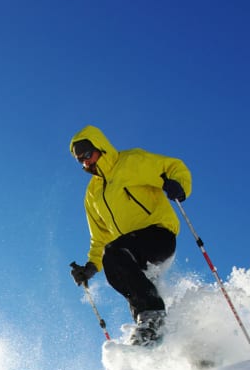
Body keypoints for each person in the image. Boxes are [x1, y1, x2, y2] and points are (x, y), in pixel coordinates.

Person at [69, 125, 192, 345]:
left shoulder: (130, 162)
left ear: (100, 147)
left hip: (158, 235)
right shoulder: (92, 194)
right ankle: (179, 345)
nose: (86, 162)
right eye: (81, 160)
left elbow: (172, 167)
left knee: (116, 254)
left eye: (87, 155)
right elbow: (100, 237)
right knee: (119, 271)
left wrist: (179, 185)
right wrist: (90, 267)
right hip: (129, 253)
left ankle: (153, 318)